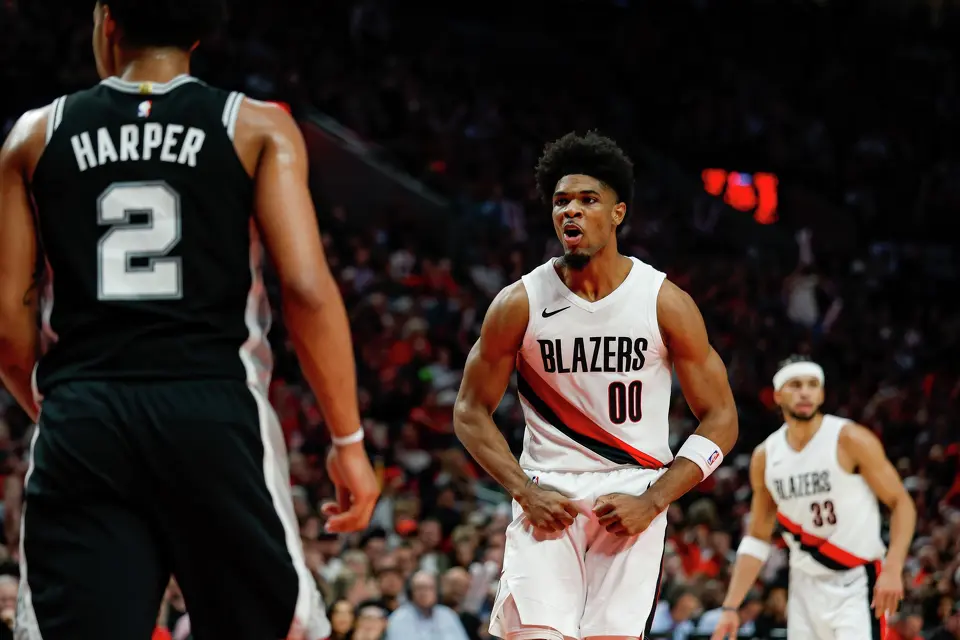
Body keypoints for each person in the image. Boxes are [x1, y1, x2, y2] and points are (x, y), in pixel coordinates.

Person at [0, 1, 380, 638]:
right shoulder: (256, 125)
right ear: (200, 33)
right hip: (214, 408)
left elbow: (10, 320)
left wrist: (65, 409)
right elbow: (308, 291)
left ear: (107, 20)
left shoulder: (35, 134)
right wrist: (348, 444)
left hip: (84, 410)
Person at [453, 131, 739, 640]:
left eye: (588, 201)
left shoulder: (663, 301)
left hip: (633, 497)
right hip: (548, 496)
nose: (572, 212)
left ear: (617, 213)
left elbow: (722, 419)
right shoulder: (519, 302)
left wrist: (654, 502)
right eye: (562, 202)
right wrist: (522, 490)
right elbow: (470, 411)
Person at [711, 356, 917, 640]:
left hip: (857, 580)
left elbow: (901, 502)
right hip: (804, 586)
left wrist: (893, 568)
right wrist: (730, 607)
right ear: (778, 395)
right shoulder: (766, 456)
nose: (805, 392)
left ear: (821, 394)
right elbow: (757, 537)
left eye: (812, 385)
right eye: (795, 385)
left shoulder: (850, 438)